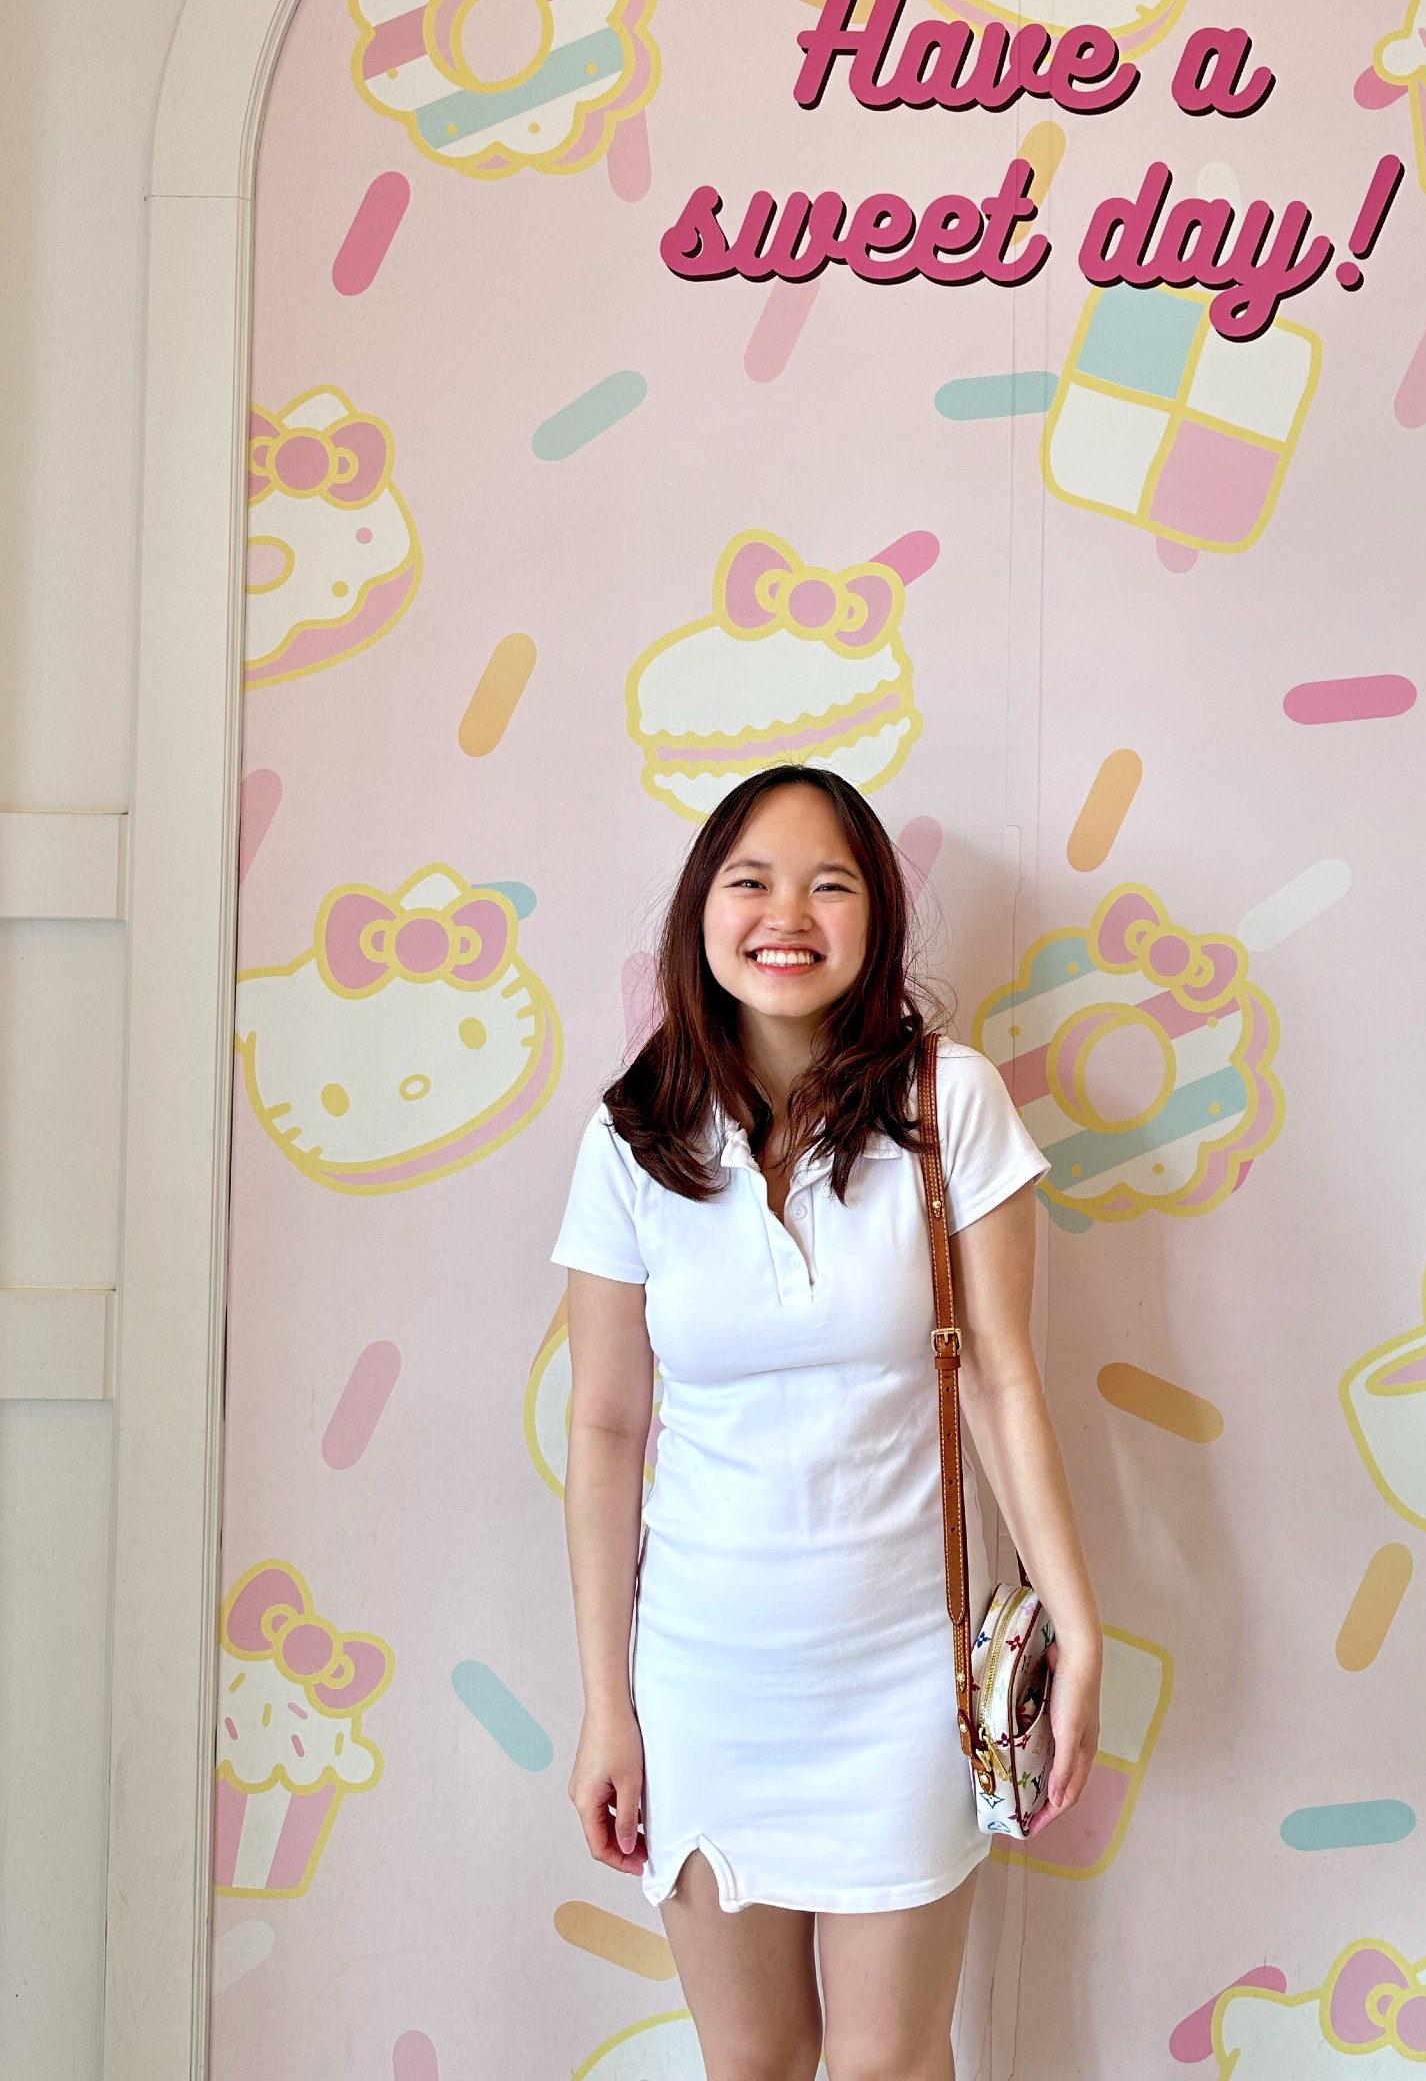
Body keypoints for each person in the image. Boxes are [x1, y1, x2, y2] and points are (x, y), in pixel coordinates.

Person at [553, 763, 1103, 2081]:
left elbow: (1004, 1378)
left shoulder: (949, 1102)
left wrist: (1078, 1625)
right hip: (703, 1682)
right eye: (751, 881)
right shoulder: (633, 1135)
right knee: (752, 2064)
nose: (786, 914)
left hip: (905, 1681)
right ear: (701, 910)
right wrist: (604, 1705)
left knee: (888, 2065)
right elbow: (606, 1428)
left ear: (877, 918)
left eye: (829, 884)